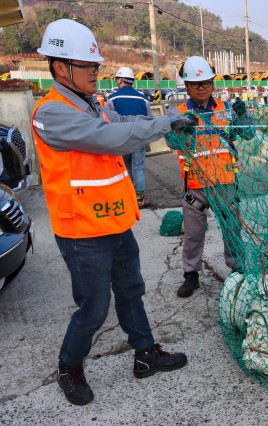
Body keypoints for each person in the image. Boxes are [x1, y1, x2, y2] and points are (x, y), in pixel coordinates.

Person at [31, 19, 195, 406]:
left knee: (131, 291)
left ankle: (144, 353)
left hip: (114, 221)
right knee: (94, 307)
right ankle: (69, 366)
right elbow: (108, 138)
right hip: (81, 231)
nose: (96, 73)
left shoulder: (93, 106)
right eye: (89, 67)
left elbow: (123, 123)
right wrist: (164, 123)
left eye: (96, 66)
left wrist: (166, 122)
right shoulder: (50, 113)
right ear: (60, 67)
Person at [170, 56, 247, 298]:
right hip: (195, 186)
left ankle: (238, 270)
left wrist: (244, 118)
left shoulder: (225, 110)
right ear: (187, 86)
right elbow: (170, 140)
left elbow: (248, 135)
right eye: (196, 84)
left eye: (206, 82)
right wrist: (181, 128)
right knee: (193, 233)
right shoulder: (178, 112)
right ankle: (191, 275)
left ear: (213, 83)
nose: (202, 88)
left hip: (224, 182)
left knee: (232, 229)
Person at [106, 66, 152, 208]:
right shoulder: (143, 99)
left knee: (125, 166)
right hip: (139, 138)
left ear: (120, 80)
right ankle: (139, 198)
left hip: (122, 139)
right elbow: (149, 119)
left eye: (116, 79)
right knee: (138, 167)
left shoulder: (112, 98)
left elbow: (107, 120)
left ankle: (129, 195)